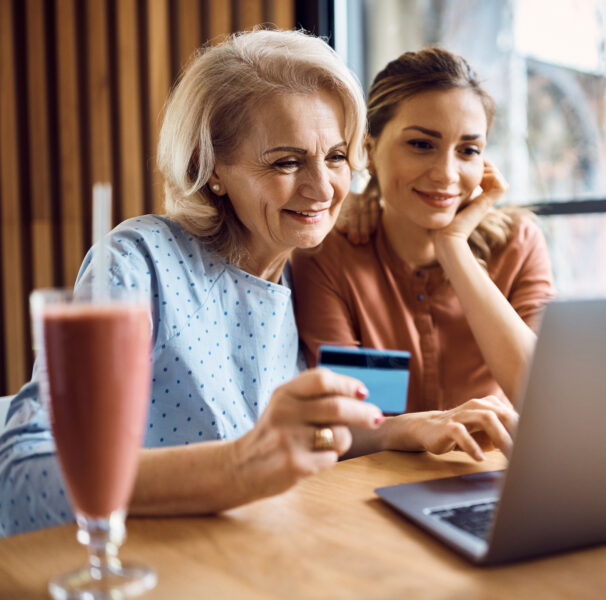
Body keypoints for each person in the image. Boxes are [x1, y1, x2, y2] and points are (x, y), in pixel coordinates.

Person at [0, 29, 382, 538]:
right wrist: (238, 466)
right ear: (209, 167)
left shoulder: (309, 271)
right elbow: (18, 483)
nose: (322, 187)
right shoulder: (140, 261)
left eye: (335, 156)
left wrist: (407, 430)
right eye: (286, 162)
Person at [291, 48, 556, 460]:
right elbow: (346, 426)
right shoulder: (330, 256)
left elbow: (543, 399)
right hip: (371, 492)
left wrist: (453, 246)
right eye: (421, 144)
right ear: (369, 151)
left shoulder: (519, 245)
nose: (447, 174)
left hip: (489, 482)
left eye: (468, 150)